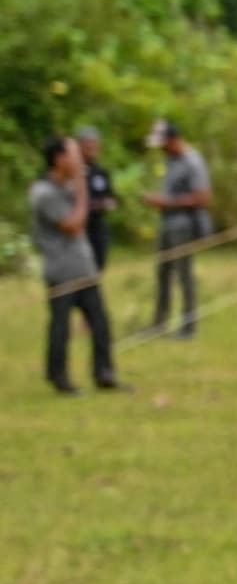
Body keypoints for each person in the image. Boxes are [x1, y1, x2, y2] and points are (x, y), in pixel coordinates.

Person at [30, 137, 121, 395]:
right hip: (61, 271)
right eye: (74, 155)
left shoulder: (68, 187)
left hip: (84, 268)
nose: (80, 161)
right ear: (59, 159)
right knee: (61, 326)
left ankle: (104, 373)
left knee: (100, 322)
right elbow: (74, 225)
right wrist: (82, 185)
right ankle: (59, 377)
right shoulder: (43, 192)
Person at [143, 119, 212, 340]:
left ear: (173, 139)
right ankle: (159, 324)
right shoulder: (170, 160)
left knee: (184, 275)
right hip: (167, 223)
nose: (161, 148)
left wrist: (166, 202)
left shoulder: (192, 161)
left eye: (163, 143)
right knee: (162, 273)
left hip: (185, 224)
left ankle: (188, 327)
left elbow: (203, 197)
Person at [76, 126, 118, 273]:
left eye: (95, 145)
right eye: (88, 145)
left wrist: (108, 204)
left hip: (98, 227)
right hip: (80, 228)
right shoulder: (73, 171)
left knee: (98, 265)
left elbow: (112, 198)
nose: (92, 148)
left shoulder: (101, 172)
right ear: (79, 146)